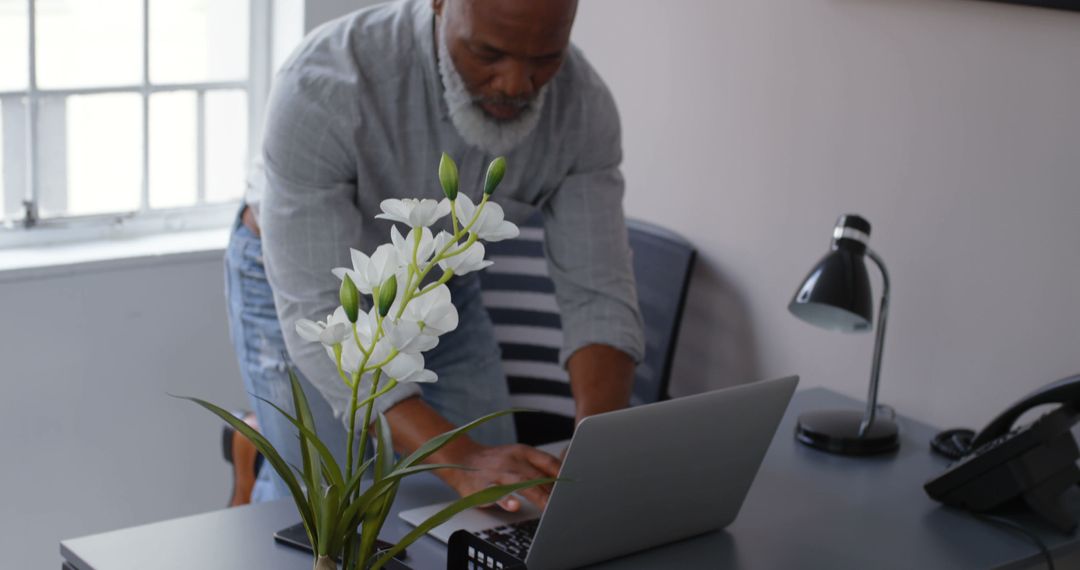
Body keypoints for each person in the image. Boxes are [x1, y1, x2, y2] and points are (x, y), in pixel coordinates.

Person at [224, 0, 644, 513]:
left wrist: (597, 450)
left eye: (544, 59)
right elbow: (319, 308)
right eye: (488, 53)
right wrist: (461, 458)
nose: (515, 83)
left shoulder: (584, 109)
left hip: (438, 284)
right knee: (329, 509)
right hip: (312, 289)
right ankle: (263, 460)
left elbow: (596, 292)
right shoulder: (321, 83)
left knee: (502, 499)